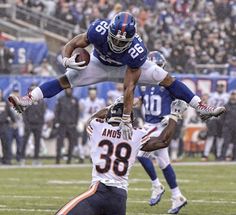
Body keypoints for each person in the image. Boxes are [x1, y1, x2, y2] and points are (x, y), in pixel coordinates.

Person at [8, 12, 225, 141]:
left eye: (124, 42)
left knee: (164, 77)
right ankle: (28, 100)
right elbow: (74, 43)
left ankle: (200, 107)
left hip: (125, 68)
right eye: (116, 39)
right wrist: (66, 59)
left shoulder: (136, 50)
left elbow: (128, 88)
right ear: (109, 31)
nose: (118, 43)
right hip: (98, 63)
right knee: (66, 78)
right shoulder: (98, 30)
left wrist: (125, 119)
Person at [51, 98, 187, 215]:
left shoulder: (97, 127)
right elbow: (163, 141)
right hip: (119, 197)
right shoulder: (137, 135)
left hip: (99, 191)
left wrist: (114, 104)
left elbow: (93, 118)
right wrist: (175, 115)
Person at [136, 51, 187, 214]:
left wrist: (171, 115)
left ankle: (157, 185)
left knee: (139, 151)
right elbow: (140, 100)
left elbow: (181, 101)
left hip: (160, 125)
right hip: (148, 124)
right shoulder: (143, 83)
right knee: (164, 163)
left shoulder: (168, 83)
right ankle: (177, 195)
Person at [202, 82, 229, 160]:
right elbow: (206, 105)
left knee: (220, 138)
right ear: (216, 87)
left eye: (221, 86)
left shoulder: (227, 96)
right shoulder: (212, 95)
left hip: (222, 119)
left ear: (224, 87)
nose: (220, 88)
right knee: (210, 137)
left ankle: (219, 154)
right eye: (218, 86)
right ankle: (205, 154)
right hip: (213, 119)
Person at [78, 86, 106, 161]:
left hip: (96, 123)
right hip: (85, 121)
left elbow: (104, 113)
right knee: (82, 138)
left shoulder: (100, 101)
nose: (92, 95)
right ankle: (81, 155)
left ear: (96, 93)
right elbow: (80, 111)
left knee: (95, 140)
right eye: (91, 93)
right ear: (88, 93)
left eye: (94, 93)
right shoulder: (84, 101)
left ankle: (93, 155)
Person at [21, 84, 46, 165]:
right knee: (25, 141)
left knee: (37, 142)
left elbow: (42, 113)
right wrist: (26, 124)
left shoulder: (41, 101)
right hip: (29, 124)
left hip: (38, 124)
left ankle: (36, 158)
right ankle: (22, 158)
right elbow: (24, 114)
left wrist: (41, 124)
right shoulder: (26, 101)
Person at [55, 88, 79, 164]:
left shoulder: (75, 99)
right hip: (62, 124)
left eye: (70, 89)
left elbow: (77, 112)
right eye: (67, 89)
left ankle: (69, 159)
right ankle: (58, 159)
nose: (68, 90)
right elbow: (57, 111)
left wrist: (75, 122)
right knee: (59, 143)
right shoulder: (61, 99)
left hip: (71, 125)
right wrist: (57, 121)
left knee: (71, 143)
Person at [0, 89, 15, 165]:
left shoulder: (5, 102)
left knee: (6, 143)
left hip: (4, 126)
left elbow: (10, 113)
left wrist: (14, 121)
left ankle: (7, 160)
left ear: (2, 94)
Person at [221, 90, 236, 160]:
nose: (233, 96)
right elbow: (222, 118)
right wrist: (225, 125)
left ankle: (234, 157)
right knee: (225, 143)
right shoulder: (225, 106)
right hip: (227, 128)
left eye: (234, 95)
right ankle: (222, 157)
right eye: (232, 95)